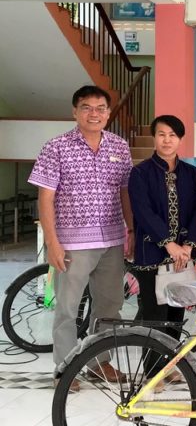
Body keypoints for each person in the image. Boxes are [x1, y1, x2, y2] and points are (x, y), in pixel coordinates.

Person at [28, 85, 133, 391]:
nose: (93, 114)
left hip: (112, 239)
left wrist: (131, 230)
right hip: (72, 243)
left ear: (108, 113)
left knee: (109, 307)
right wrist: (52, 243)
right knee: (67, 308)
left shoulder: (119, 147)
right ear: (75, 112)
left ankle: (100, 362)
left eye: (100, 108)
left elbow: (125, 193)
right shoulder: (56, 147)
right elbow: (45, 198)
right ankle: (65, 367)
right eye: (86, 107)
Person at [128, 115, 196, 383]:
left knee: (175, 315)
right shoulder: (140, 173)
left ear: (180, 139)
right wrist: (168, 243)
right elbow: (143, 212)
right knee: (154, 316)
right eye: (161, 134)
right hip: (152, 254)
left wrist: (188, 245)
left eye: (172, 135)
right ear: (154, 137)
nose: (167, 140)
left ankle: (169, 367)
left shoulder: (191, 174)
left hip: (183, 256)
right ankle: (152, 374)